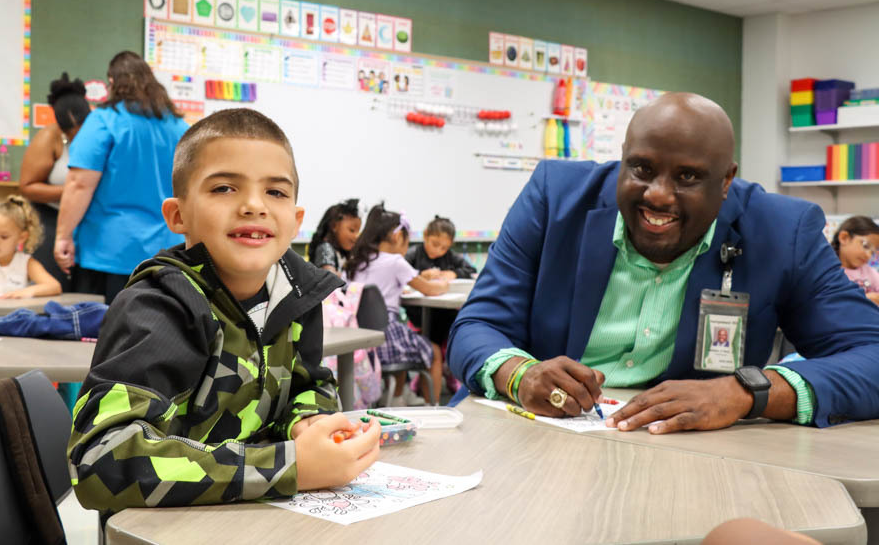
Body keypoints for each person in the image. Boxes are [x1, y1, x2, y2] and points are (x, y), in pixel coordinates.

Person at [448, 92, 879, 432]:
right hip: (530, 432)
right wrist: (519, 375)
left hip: (679, 453)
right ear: (623, 157)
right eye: (641, 168)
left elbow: (871, 355)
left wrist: (745, 393)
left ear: (726, 180)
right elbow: (476, 326)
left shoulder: (783, 233)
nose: (658, 194)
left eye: (688, 177)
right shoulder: (555, 199)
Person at [68, 109, 380, 517]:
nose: (253, 205)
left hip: (260, 521)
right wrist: (289, 466)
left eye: (276, 193)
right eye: (224, 188)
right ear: (177, 215)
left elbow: (310, 383)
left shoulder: (296, 295)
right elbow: (101, 461)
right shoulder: (159, 307)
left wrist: (306, 423)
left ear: (295, 220)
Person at [54, 51, 188, 304]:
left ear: (112, 83)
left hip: (109, 252)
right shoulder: (180, 127)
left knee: (102, 332)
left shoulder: (104, 120)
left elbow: (80, 184)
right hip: (167, 252)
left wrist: (63, 235)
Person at [347, 204, 449, 406]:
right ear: (396, 237)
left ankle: (396, 397)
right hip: (386, 335)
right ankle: (433, 408)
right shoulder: (395, 261)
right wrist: (444, 284)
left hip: (358, 337)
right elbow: (429, 289)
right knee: (435, 351)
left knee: (405, 340)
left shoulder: (357, 261)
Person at [18, 73, 91, 292]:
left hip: (87, 222)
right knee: (55, 287)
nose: (77, 138)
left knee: (86, 291)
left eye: (83, 131)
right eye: (70, 133)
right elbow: (27, 186)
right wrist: (72, 191)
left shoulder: (100, 134)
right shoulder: (48, 137)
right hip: (50, 220)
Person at [404, 215, 476, 392]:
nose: (438, 250)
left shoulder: (451, 257)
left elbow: (471, 270)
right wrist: (420, 274)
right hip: (418, 314)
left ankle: (447, 372)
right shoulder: (413, 254)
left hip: (445, 314)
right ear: (426, 235)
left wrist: (454, 274)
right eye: (435, 244)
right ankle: (428, 376)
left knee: (452, 334)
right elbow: (403, 273)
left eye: (444, 247)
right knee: (432, 341)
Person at [831, 215, 879, 304]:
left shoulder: (868, 271)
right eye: (865, 246)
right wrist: (863, 298)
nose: (868, 255)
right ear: (844, 238)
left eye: (872, 252)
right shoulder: (829, 271)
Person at [307, 198, 361, 275]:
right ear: (334, 226)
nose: (356, 236)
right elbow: (329, 275)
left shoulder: (343, 254)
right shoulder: (325, 247)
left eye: (358, 231)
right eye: (352, 230)